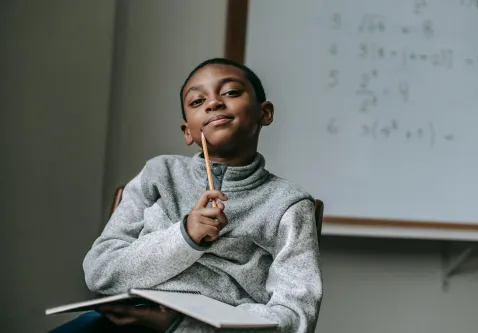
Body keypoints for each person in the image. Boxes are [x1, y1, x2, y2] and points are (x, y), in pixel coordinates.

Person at [49, 58, 322, 332]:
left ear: (265, 113)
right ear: (188, 131)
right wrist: (185, 237)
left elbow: (295, 317)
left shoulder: (288, 203)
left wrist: (183, 325)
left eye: (230, 92)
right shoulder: (157, 174)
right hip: (120, 323)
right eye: (196, 101)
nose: (213, 103)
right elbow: (100, 272)